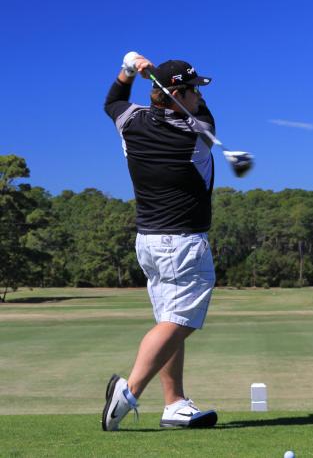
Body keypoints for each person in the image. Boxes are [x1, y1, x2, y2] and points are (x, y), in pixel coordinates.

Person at [102, 52, 217, 431]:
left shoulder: (130, 122)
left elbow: (113, 102)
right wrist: (158, 81)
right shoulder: (196, 132)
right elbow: (201, 116)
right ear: (178, 94)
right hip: (182, 243)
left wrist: (128, 70)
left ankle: (175, 403)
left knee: (169, 319)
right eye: (193, 91)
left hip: (149, 242)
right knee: (178, 321)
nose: (199, 97)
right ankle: (129, 391)